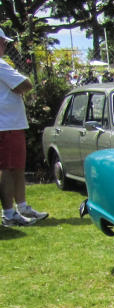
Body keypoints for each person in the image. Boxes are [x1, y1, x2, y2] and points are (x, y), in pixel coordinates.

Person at [0, 27, 47, 227]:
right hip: (6, 125)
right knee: (8, 169)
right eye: (2, 42)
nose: (4, 45)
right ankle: (9, 213)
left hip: (12, 124)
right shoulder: (0, 65)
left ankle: (22, 207)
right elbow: (24, 84)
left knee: (17, 168)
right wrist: (21, 85)